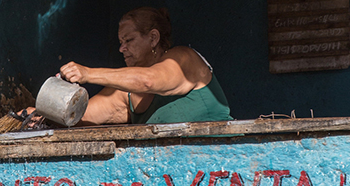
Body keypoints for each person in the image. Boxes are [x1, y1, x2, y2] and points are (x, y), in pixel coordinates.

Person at [59, 7, 232, 125]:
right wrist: (40, 113)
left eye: (129, 40)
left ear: (153, 38)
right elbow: (80, 115)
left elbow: (148, 80)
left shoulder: (185, 59)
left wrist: (87, 74)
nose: (121, 48)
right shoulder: (125, 92)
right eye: (120, 42)